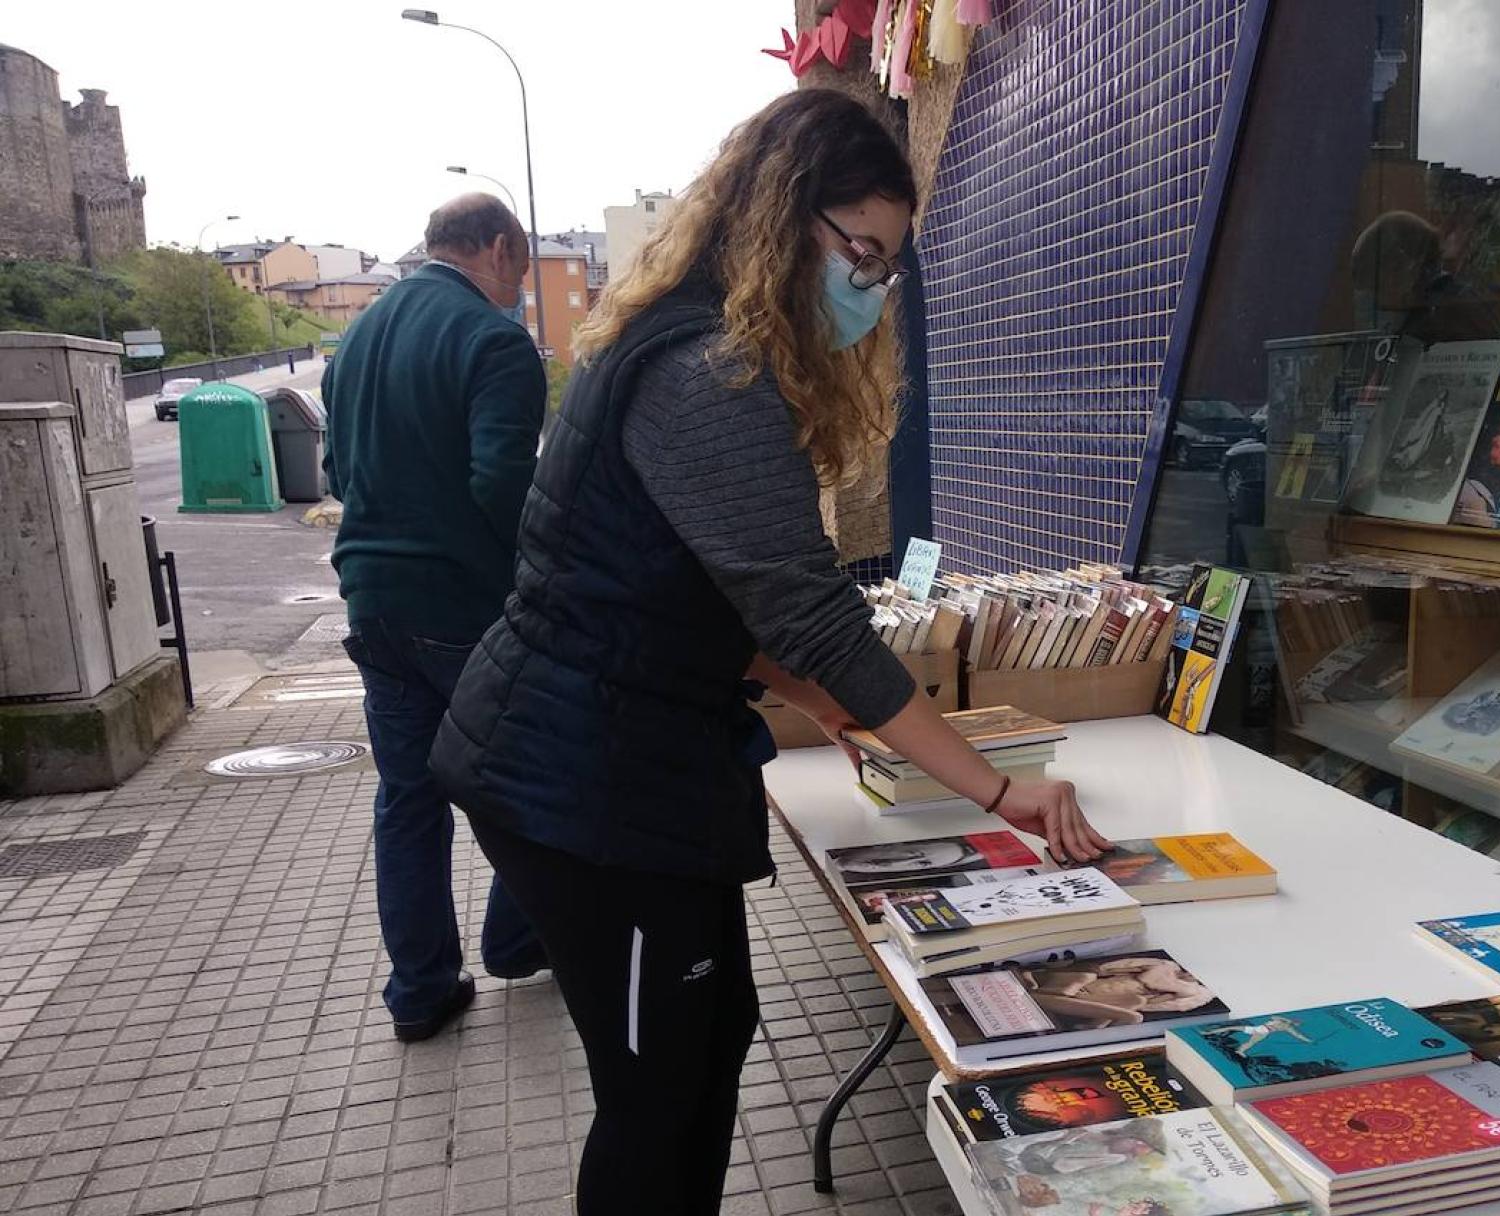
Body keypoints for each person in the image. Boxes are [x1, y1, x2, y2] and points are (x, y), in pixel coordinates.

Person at [427, 91, 1112, 1212]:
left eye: (890, 266)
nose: (874, 287)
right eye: (863, 253)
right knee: (657, 1091)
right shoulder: (709, 372)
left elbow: (726, 601)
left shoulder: (693, 340)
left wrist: (850, 721)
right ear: (787, 218)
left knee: (715, 1033)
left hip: (615, 763)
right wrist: (998, 789)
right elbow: (808, 613)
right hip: (586, 783)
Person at [322, 193, 547, 1042]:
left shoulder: (357, 338)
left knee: (408, 797)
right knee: (525, 776)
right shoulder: (494, 342)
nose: (516, 289)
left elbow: (339, 471)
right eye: (518, 271)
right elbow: (502, 482)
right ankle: (518, 941)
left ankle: (421, 991)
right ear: (495, 249)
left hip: (370, 605)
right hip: (463, 609)